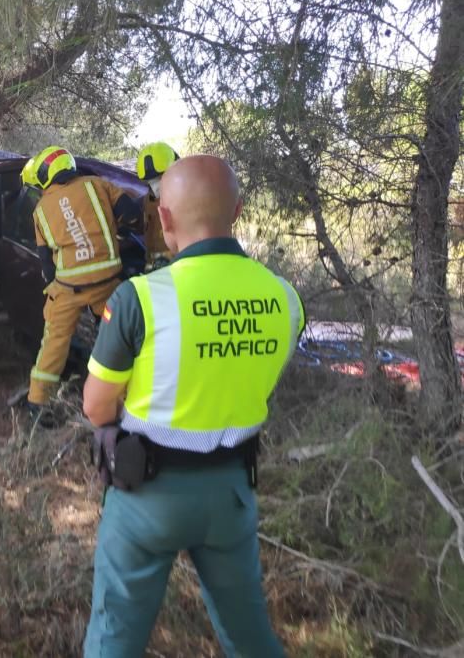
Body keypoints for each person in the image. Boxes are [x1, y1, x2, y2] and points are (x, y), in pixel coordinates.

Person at [81, 155, 304, 657]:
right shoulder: (285, 299)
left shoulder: (141, 298)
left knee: (115, 636)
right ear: (238, 211)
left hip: (146, 497)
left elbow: (96, 408)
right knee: (249, 635)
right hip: (232, 496)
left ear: (163, 217)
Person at [23, 145, 139, 427]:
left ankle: (38, 404)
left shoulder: (40, 211)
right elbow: (133, 215)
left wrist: (55, 289)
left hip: (70, 286)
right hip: (108, 282)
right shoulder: (98, 185)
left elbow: (46, 265)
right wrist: (115, 229)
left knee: (54, 342)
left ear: (44, 176)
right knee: (116, 338)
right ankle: (120, 399)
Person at [136, 141, 180, 271]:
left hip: (182, 273)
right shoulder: (147, 202)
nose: (156, 186)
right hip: (154, 275)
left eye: (160, 178)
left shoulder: (188, 198)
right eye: (151, 181)